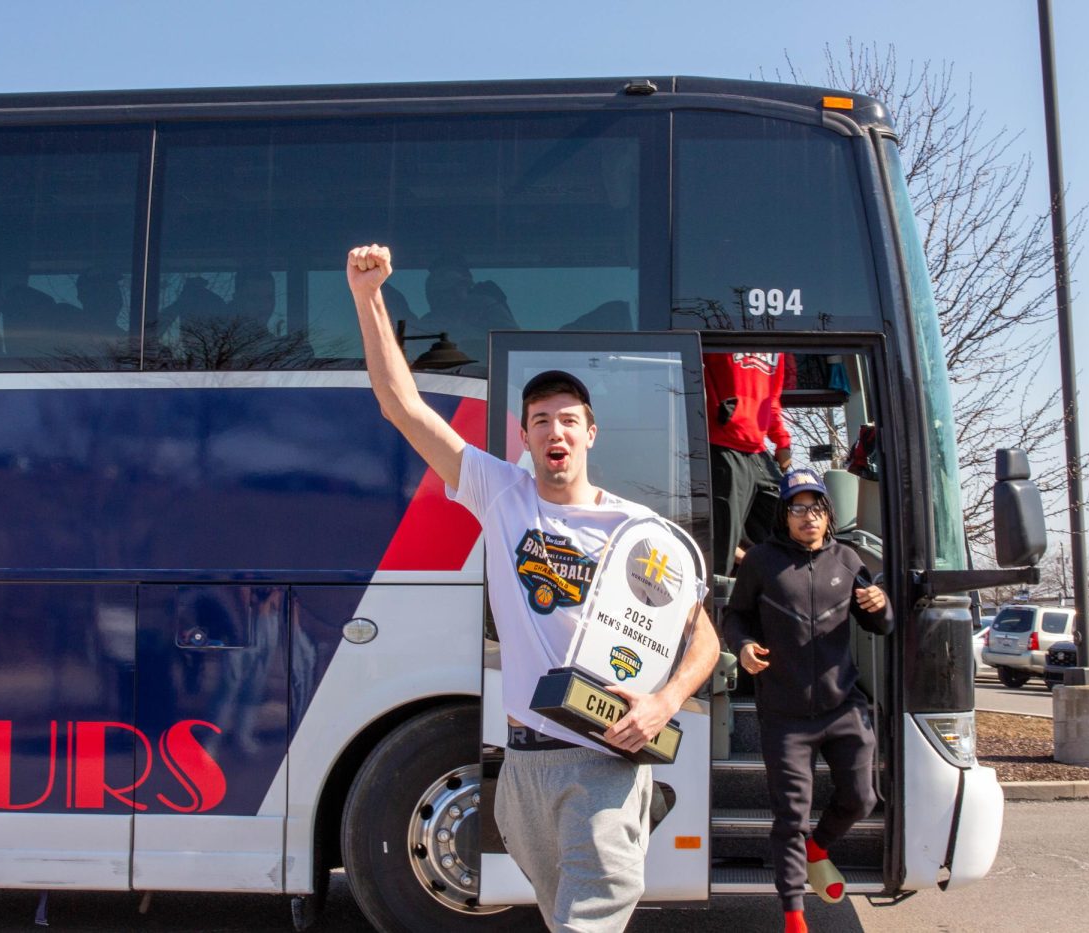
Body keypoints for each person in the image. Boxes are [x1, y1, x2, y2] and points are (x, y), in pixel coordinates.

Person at [347, 243, 718, 933]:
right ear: (523, 435)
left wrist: (667, 700)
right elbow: (401, 405)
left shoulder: (638, 532)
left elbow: (704, 633)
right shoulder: (502, 494)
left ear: (589, 434)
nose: (556, 430)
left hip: (603, 765)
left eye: (568, 419)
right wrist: (368, 298)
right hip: (522, 772)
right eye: (541, 419)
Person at [721, 468, 893, 933]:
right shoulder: (761, 560)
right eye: (798, 508)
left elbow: (881, 626)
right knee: (790, 816)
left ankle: (820, 850)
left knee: (862, 798)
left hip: (843, 707)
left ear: (828, 514)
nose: (808, 517)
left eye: (816, 508)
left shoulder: (849, 560)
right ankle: (795, 918)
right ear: (784, 514)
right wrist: (742, 647)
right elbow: (734, 616)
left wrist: (882, 604)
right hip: (785, 714)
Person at [704, 352, 793, 576]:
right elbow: (697, 371)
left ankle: (779, 583)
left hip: (757, 450)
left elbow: (772, 400)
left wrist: (781, 441)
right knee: (723, 538)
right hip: (721, 444)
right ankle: (714, 605)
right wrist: (719, 410)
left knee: (788, 517)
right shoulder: (721, 324)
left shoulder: (777, 350)